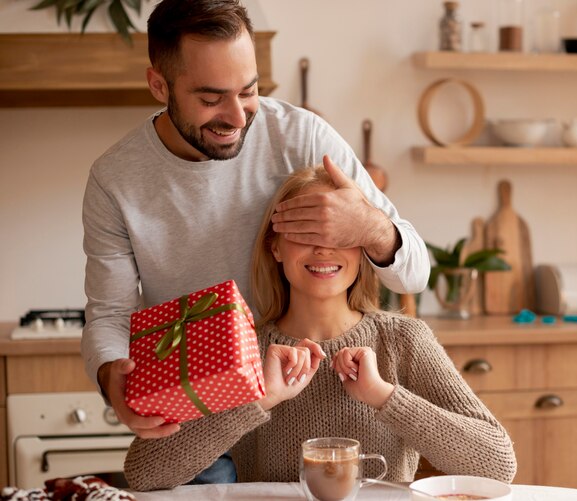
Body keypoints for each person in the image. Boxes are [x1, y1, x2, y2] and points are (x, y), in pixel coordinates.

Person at [81, 0, 430, 485]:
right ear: (159, 85)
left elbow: (413, 271)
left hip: (304, 395)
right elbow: (110, 315)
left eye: (249, 92)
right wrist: (112, 376)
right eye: (210, 99)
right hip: (204, 421)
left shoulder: (303, 136)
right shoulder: (114, 179)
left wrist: (368, 226)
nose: (238, 116)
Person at [123, 166, 517, 491]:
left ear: (362, 248)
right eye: (304, 234)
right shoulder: (244, 347)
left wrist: (383, 396)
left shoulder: (403, 340)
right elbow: (143, 473)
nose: (324, 250)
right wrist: (260, 398)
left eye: (340, 236)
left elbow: (499, 463)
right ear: (275, 248)